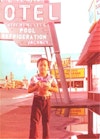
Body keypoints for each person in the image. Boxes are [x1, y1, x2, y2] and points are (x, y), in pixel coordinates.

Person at [28, 57, 58, 139]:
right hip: (37, 100)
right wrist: (36, 86)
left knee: (46, 122)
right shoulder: (34, 78)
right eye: (40, 65)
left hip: (46, 100)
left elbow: (56, 89)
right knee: (34, 122)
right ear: (37, 67)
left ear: (48, 67)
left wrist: (49, 88)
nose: (43, 67)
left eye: (45, 65)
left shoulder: (51, 78)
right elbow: (29, 90)